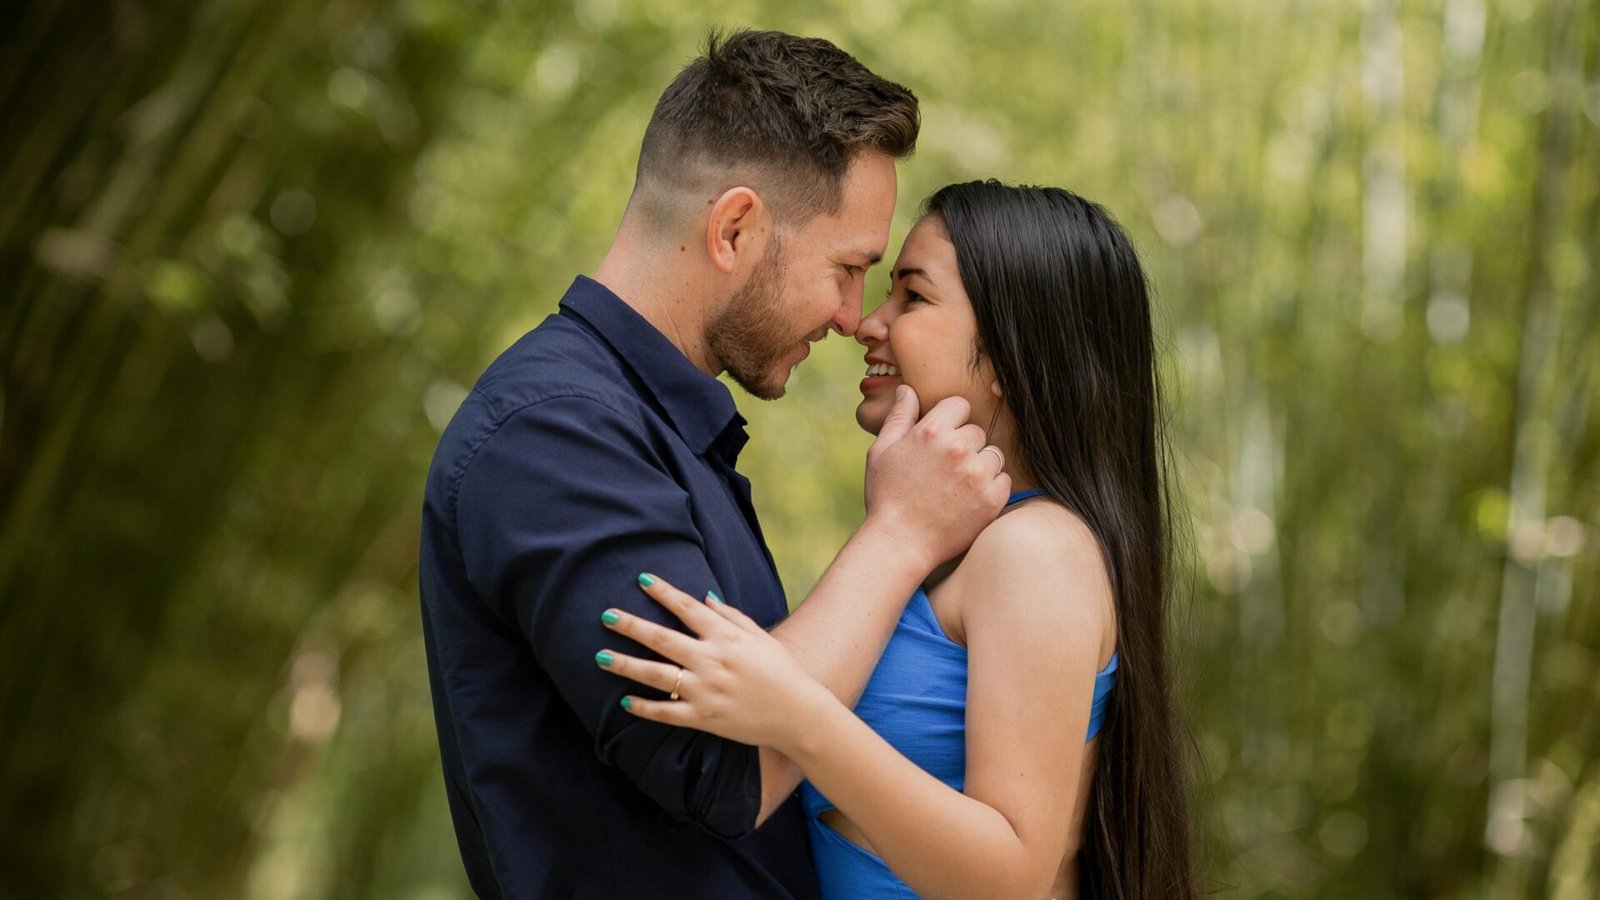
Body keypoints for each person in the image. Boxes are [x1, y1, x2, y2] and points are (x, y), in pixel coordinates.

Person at [418, 31, 1011, 899]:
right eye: (848, 269)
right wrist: (901, 533)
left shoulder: (653, 427)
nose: (855, 317)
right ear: (735, 227)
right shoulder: (555, 436)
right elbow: (726, 769)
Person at [597, 181, 1198, 899]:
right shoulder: (969, 548)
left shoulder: (1035, 551)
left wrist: (796, 711)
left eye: (912, 297)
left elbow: (1013, 872)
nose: (866, 323)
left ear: (1014, 353)